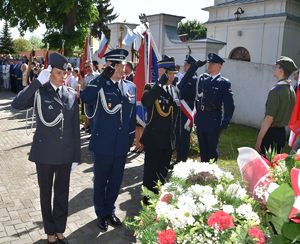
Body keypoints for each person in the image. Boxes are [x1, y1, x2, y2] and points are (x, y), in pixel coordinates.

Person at [11, 52, 80, 244]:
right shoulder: (40, 92)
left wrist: (76, 156)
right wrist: (36, 83)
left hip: (65, 153)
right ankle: (49, 231)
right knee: (45, 194)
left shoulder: (71, 94)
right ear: (50, 73)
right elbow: (17, 104)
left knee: (62, 193)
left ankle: (60, 229)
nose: (63, 76)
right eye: (59, 73)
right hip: (45, 154)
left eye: (65, 73)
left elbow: (75, 128)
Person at [80, 48, 136, 231]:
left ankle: (110, 210)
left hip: (121, 145)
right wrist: (102, 77)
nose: (122, 68)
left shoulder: (130, 87)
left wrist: (130, 140)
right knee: (101, 180)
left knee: (115, 180)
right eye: (117, 65)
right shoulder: (101, 84)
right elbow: (85, 97)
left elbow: (131, 116)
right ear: (110, 66)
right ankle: (101, 213)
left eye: (123, 65)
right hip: (103, 144)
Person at [179, 53, 234, 162]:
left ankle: (211, 174)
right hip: (201, 119)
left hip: (214, 120)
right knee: (203, 149)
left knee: (212, 150)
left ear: (219, 66)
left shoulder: (224, 83)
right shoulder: (202, 79)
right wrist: (194, 66)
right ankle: (203, 171)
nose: (209, 65)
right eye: (209, 63)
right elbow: (182, 84)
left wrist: (225, 122)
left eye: (212, 63)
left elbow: (229, 105)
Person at [141, 56, 180, 201]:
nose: (172, 77)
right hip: (154, 138)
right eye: (169, 74)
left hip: (168, 139)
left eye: (173, 74)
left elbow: (177, 117)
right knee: (151, 171)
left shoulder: (176, 90)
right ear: (161, 71)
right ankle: (147, 199)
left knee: (163, 171)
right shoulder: (151, 87)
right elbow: (146, 102)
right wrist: (159, 85)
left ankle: (158, 197)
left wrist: (177, 138)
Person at [256, 56, 297, 155]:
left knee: (265, 165)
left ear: (281, 70)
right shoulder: (291, 89)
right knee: (274, 166)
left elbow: (269, 118)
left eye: (277, 66)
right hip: (281, 133)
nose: (274, 68)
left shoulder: (276, 91)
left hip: (271, 133)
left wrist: (259, 138)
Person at [175, 55, 198, 162]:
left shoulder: (194, 79)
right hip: (181, 110)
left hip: (188, 109)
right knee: (179, 136)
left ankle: (182, 160)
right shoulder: (184, 78)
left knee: (184, 137)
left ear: (191, 66)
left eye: (187, 64)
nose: (184, 65)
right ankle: (178, 159)